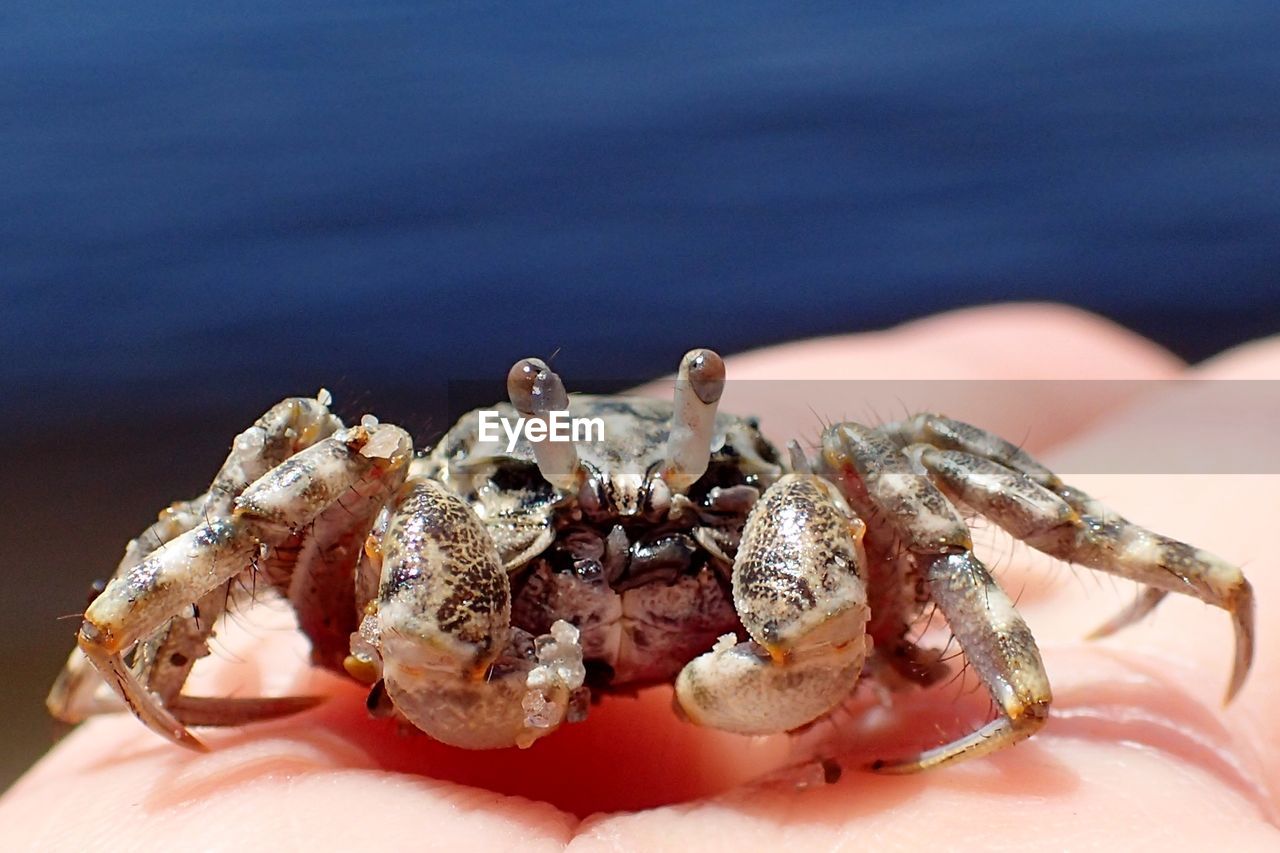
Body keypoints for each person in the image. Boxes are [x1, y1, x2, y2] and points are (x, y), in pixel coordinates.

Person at [3, 304, 1277, 848]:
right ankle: (125, 668)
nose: (618, 556)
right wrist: (125, 628)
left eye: (668, 520)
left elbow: (922, 521)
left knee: (896, 456)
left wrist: (1132, 580)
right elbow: (237, 510)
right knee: (311, 444)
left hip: (777, 608)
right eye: (568, 523)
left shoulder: (796, 503)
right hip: (435, 629)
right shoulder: (417, 504)